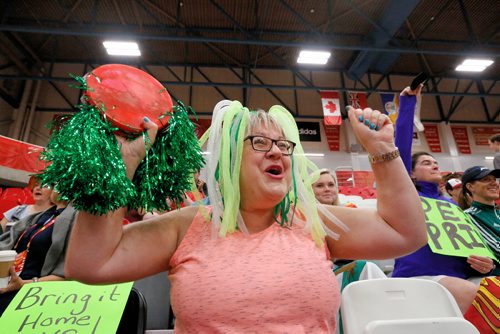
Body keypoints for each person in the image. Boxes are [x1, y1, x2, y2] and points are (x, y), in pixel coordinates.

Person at [65, 100, 426, 333]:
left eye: (284, 145)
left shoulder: (312, 222)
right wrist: (123, 163)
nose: (277, 153)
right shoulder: (188, 225)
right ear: (228, 159)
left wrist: (382, 150)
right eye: (259, 142)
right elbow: (91, 266)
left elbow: (405, 234)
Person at [392, 85, 495, 313]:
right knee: (479, 297)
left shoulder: (452, 205)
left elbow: (471, 247)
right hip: (418, 276)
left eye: (435, 161)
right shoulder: (408, 196)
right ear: (410, 173)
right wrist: (409, 105)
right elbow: (400, 151)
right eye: (426, 163)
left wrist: (485, 265)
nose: (434, 164)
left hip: (461, 277)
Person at [0, 190, 77, 316]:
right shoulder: (43, 216)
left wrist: (25, 283)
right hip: (9, 284)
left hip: (30, 294)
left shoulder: (76, 221)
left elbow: (70, 273)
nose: (55, 187)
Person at [461, 166, 500, 277]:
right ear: (470, 186)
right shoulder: (468, 216)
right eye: (486, 180)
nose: (494, 183)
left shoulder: (498, 213)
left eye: (494, 179)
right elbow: (497, 249)